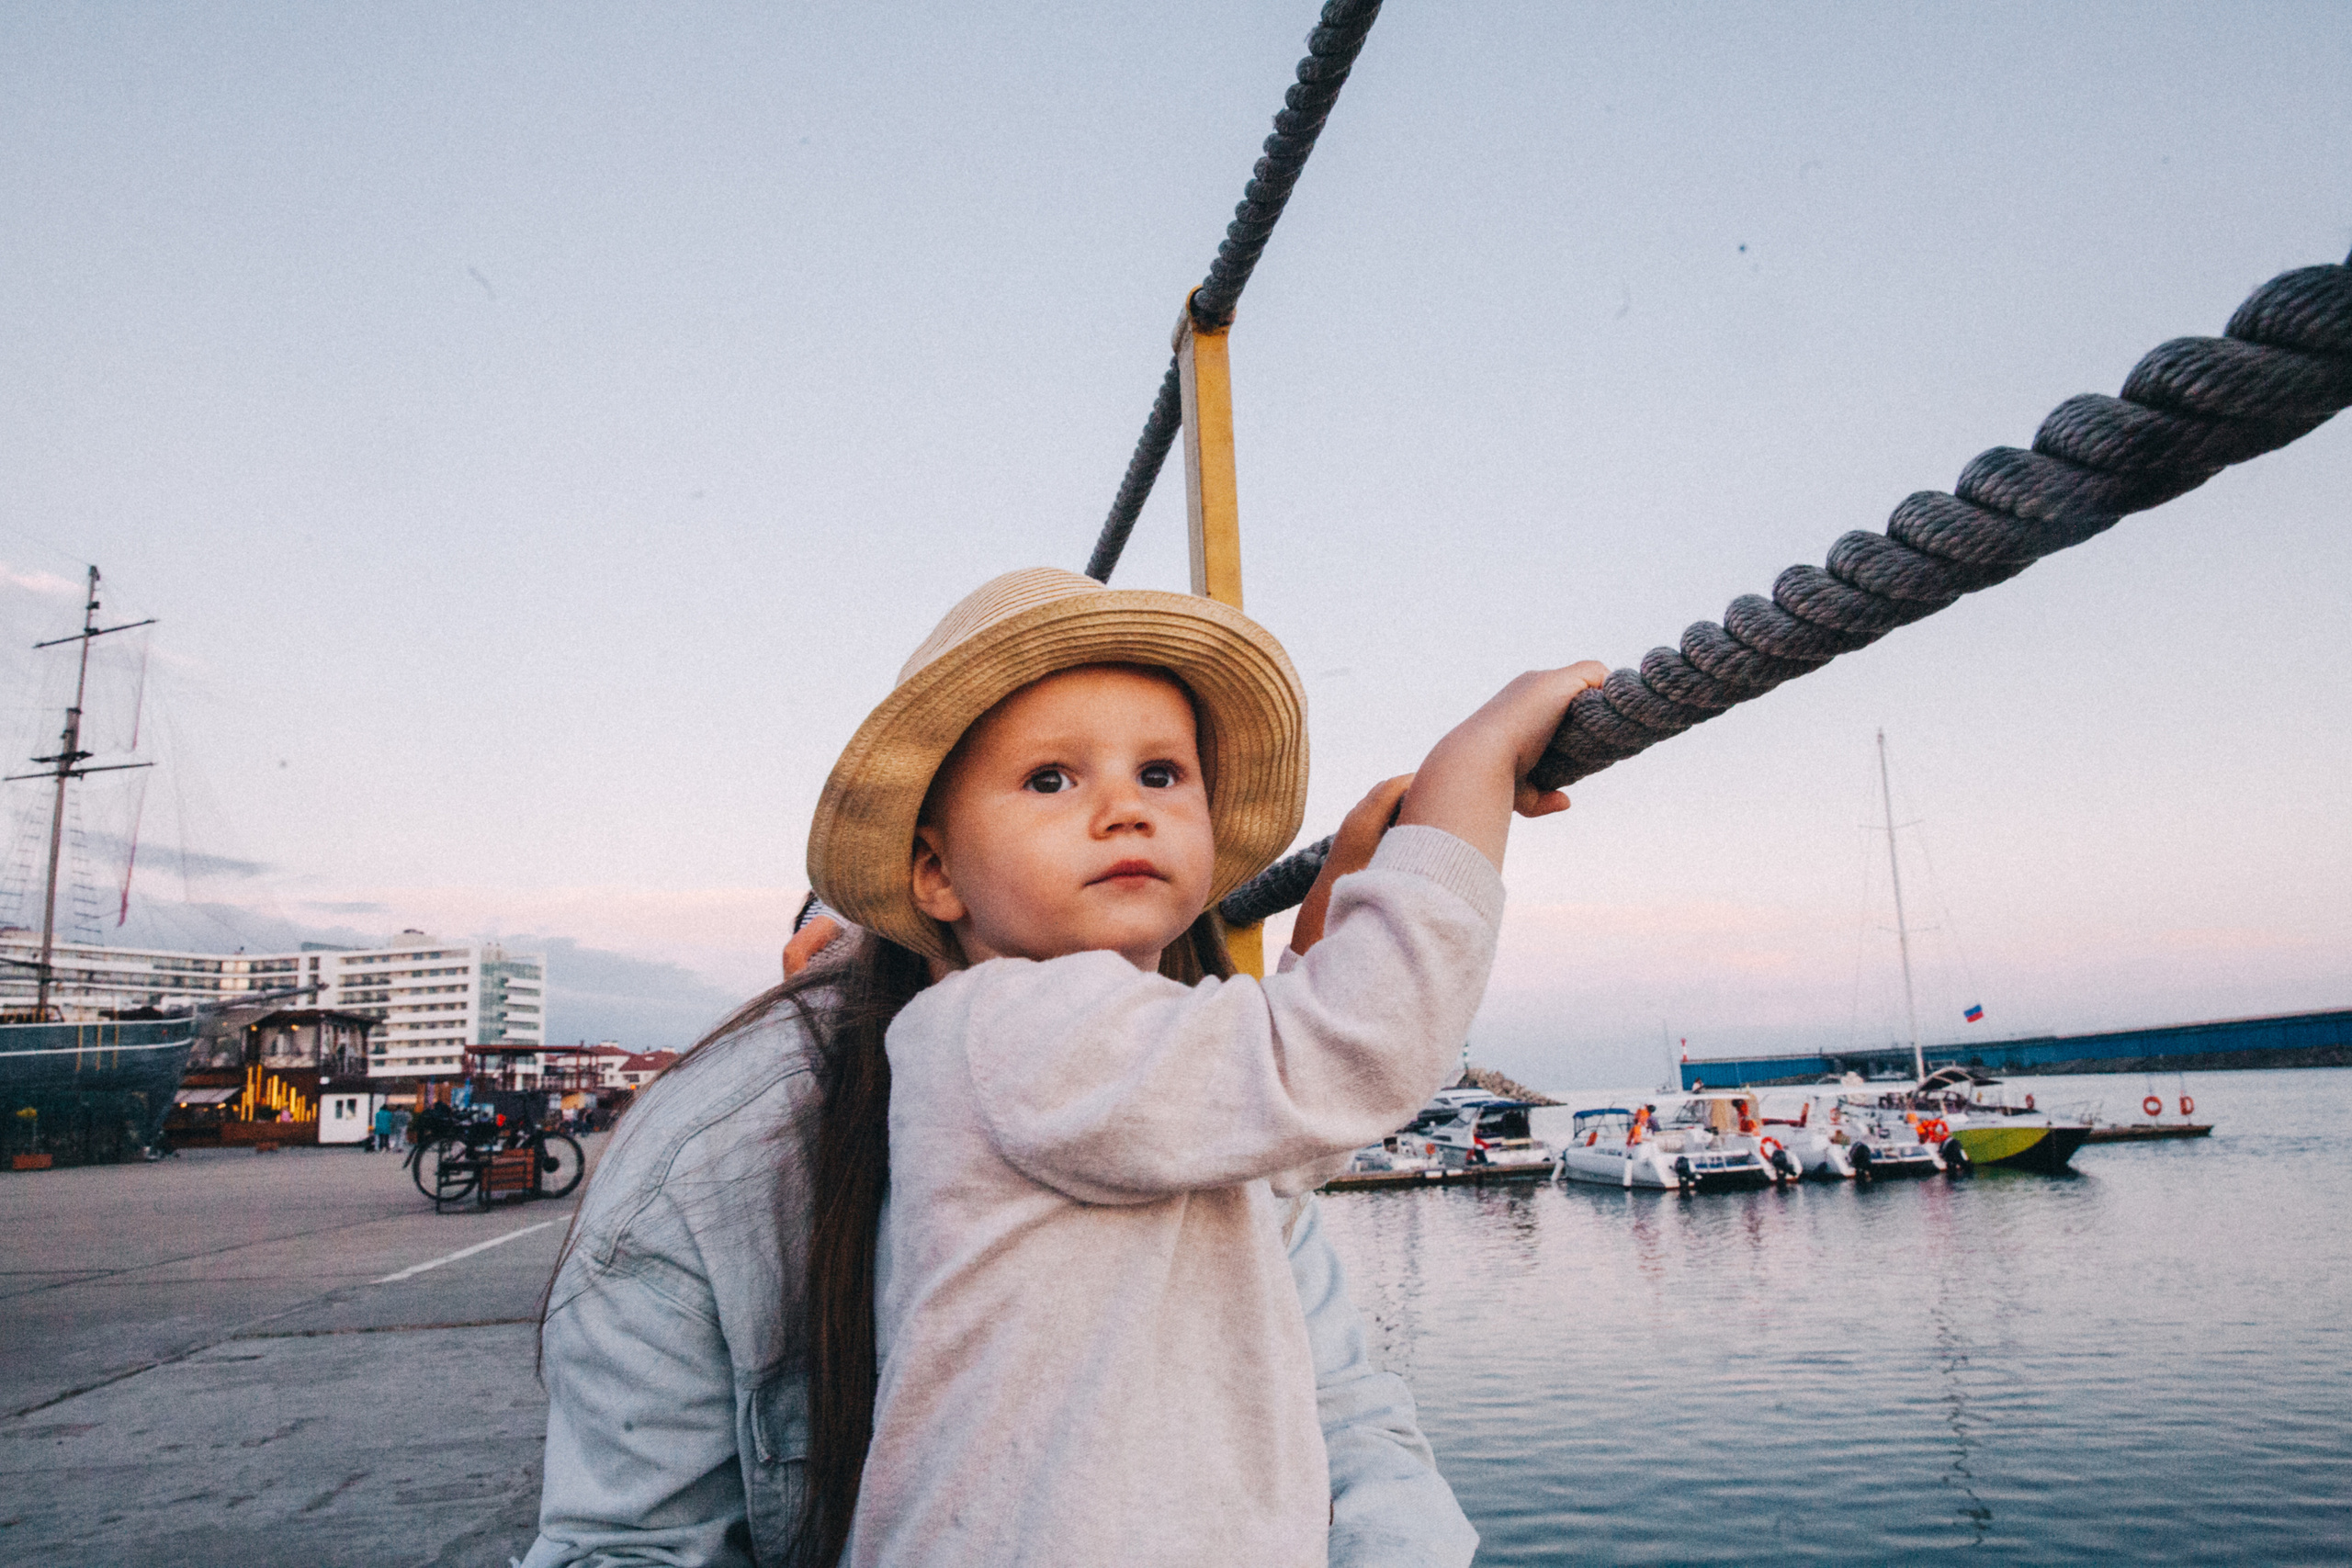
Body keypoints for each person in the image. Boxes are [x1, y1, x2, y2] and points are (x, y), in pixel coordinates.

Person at [526, 568, 1603, 1568]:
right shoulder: (1015, 1024)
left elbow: (1257, 1161)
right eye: (1049, 778)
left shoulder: (1076, 1052)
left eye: (1161, 773)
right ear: (937, 873)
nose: (1124, 806)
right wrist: (1470, 776)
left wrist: (1325, 939)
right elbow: (1353, 1052)